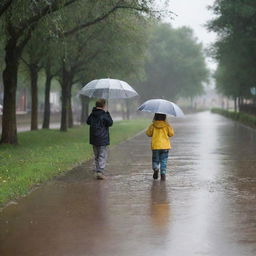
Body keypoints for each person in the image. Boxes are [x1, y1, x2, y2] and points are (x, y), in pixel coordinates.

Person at [87, 99, 113, 180]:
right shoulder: (104, 114)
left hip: (94, 139)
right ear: (104, 105)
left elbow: (88, 122)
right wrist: (108, 114)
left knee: (97, 155)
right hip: (102, 139)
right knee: (102, 155)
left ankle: (98, 170)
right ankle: (100, 172)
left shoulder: (92, 114)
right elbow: (110, 123)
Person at [146, 113, 174, 181]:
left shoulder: (153, 125)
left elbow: (148, 133)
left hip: (156, 146)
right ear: (164, 117)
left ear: (155, 117)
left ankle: (156, 169)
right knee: (164, 160)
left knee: (155, 160)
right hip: (165, 146)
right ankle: (163, 173)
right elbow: (171, 134)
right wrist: (169, 125)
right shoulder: (167, 125)